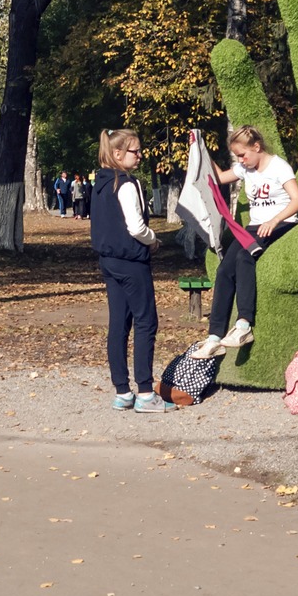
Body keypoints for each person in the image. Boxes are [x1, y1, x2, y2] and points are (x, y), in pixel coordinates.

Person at [187, 125, 298, 360]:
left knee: (244, 257)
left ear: (257, 147)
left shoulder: (279, 167)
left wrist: (275, 219)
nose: (241, 160)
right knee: (224, 271)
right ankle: (214, 338)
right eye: (237, 156)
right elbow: (219, 178)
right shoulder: (245, 168)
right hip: (253, 228)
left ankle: (243, 325)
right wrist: (201, 149)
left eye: (243, 155)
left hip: (282, 222)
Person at [90, 130, 168, 412]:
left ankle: (122, 391)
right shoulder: (126, 184)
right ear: (118, 154)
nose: (140, 155)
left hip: (108, 261)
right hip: (132, 261)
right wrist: (154, 240)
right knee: (146, 322)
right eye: (136, 151)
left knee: (118, 325)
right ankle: (146, 392)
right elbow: (135, 227)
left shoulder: (100, 184)